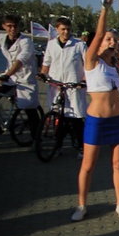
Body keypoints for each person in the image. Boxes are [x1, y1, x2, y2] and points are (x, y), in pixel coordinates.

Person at [73, 0, 119, 221]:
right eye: (108, 39)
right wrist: (105, 8)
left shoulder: (113, 65)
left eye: (114, 40)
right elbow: (98, 33)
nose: (111, 42)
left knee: (118, 164)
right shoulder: (91, 60)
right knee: (88, 164)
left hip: (117, 120)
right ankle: (81, 205)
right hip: (97, 121)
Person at [0, 14, 41, 136]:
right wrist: (7, 76)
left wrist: (7, 75)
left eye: (15, 26)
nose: (12, 29)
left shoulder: (26, 41)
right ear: (4, 26)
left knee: (29, 107)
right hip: (10, 77)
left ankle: (36, 138)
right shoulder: (2, 38)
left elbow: (20, 60)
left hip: (25, 78)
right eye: (9, 26)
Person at [39, 16, 87, 152]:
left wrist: (84, 80)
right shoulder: (51, 44)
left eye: (68, 29)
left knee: (76, 118)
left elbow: (88, 65)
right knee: (58, 117)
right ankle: (58, 146)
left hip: (73, 86)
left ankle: (81, 146)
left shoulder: (79, 45)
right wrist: (42, 74)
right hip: (56, 85)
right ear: (57, 29)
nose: (66, 32)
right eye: (63, 29)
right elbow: (46, 63)